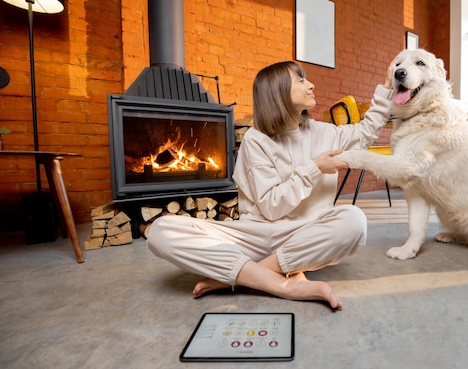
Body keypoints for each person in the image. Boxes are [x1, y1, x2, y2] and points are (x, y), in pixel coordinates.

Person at [147, 60, 394, 310]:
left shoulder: (325, 132)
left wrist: (386, 87)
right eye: (301, 80)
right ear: (277, 92)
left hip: (302, 234)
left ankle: (242, 279)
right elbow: (271, 208)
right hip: (254, 235)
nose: (311, 85)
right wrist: (315, 168)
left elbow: (366, 132)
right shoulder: (256, 140)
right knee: (161, 231)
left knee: (354, 221)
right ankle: (282, 283)